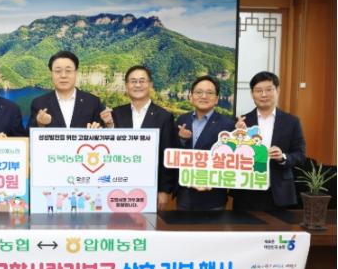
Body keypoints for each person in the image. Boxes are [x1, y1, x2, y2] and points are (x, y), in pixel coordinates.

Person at [102, 65, 175, 210]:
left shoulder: (164, 116)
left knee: (146, 222)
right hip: (118, 183)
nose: (137, 85)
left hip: (150, 185)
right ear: (126, 85)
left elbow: (166, 154)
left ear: (150, 85)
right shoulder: (115, 113)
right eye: (133, 81)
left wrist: (164, 190)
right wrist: (108, 125)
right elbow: (109, 149)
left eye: (142, 81)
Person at [232, 71, 306, 210]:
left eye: (268, 89)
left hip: (278, 191)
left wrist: (283, 157)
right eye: (258, 90)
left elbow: (300, 155)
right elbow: (230, 155)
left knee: (278, 225)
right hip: (246, 190)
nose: (264, 94)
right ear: (252, 94)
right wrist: (236, 135)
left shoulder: (292, 122)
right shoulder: (241, 121)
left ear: (277, 90)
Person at [175, 75, 234, 211]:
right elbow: (173, 152)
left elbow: (231, 161)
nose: (203, 96)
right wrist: (182, 140)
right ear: (191, 96)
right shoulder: (182, 120)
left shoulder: (228, 125)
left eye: (209, 93)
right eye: (199, 92)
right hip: (185, 194)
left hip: (212, 196)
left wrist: (212, 181)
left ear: (216, 99)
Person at [28, 51, 107, 129]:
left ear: (76, 72)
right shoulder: (39, 103)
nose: (63, 75)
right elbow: (27, 134)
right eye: (58, 71)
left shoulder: (93, 102)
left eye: (68, 71)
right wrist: (40, 124)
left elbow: (103, 130)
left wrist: (100, 129)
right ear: (51, 73)